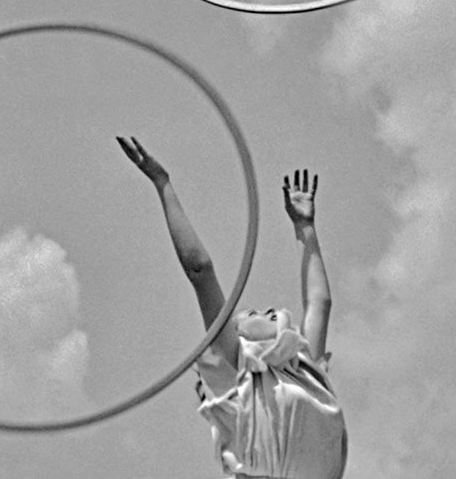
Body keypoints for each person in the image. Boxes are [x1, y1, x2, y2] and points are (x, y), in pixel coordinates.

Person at [117, 137, 346, 479]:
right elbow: (200, 270)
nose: (266, 309)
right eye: (252, 313)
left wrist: (305, 229)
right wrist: (163, 184)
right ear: (234, 334)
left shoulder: (302, 364)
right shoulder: (238, 366)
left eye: (271, 312)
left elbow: (319, 302)